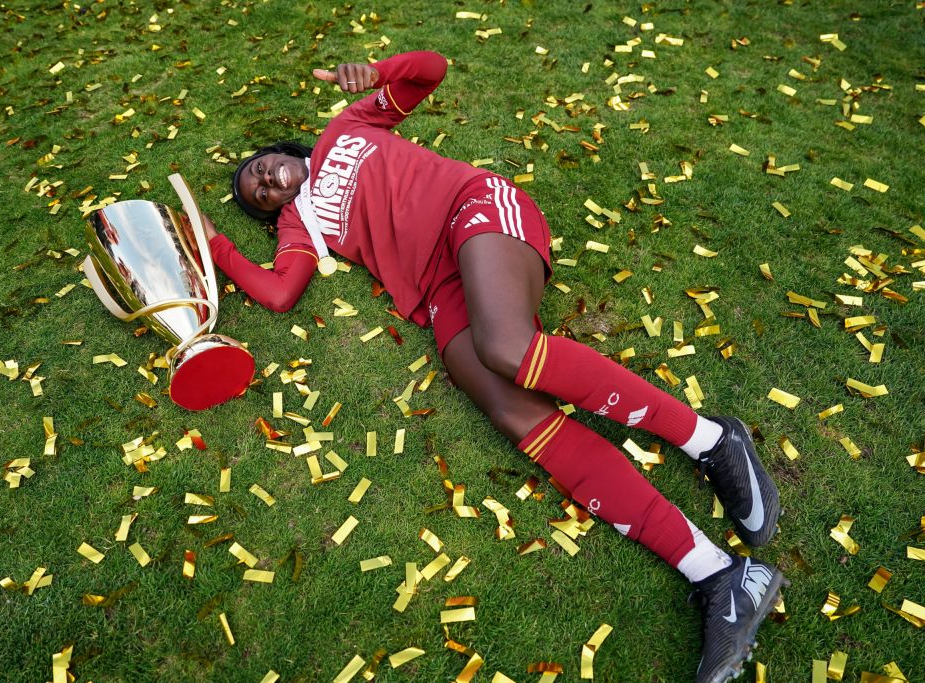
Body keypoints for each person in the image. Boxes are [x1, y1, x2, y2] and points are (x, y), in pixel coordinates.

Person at [203, 50, 786, 683]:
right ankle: (721, 576)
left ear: (280, 152)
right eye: (260, 195)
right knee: (514, 413)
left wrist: (380, 71)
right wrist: (216, 245)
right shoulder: (300, 224)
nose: (267, 183)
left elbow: (431, 71)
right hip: (439, 288)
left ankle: (711, 439)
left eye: (261, 169)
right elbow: (279, 293)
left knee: (505, 347)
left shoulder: (346, 129)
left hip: (474, 211)